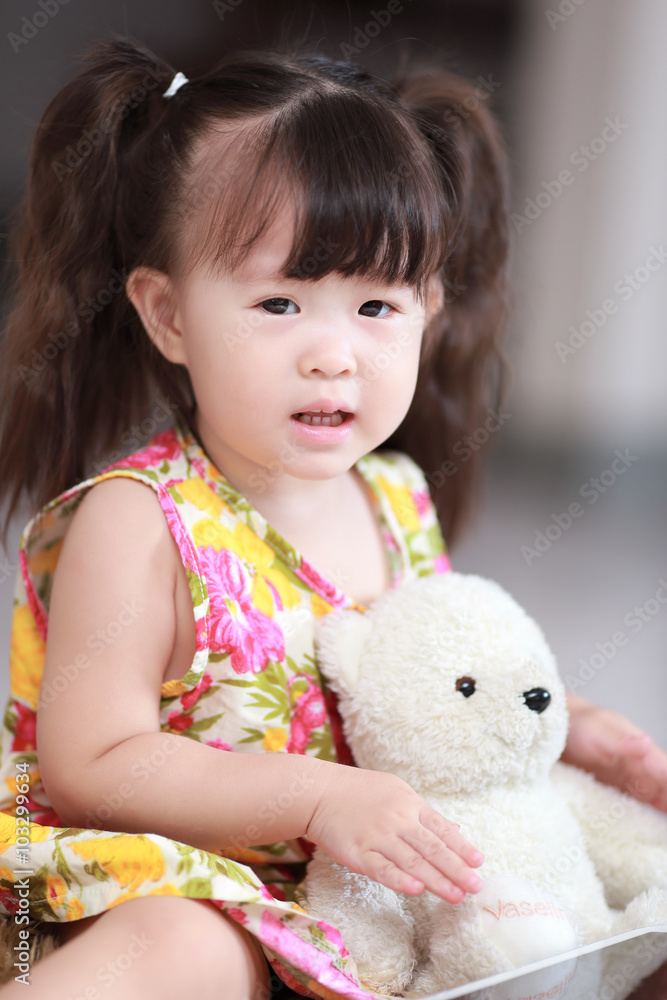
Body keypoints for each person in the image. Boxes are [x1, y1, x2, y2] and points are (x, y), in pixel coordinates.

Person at [0, 33, 664, 1000]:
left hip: (356, 900)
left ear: (429, 306)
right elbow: (89, 764)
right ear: (168, 314)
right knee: (191, 950)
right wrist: (317, 797)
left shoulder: (395, 497)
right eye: (278, 303)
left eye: (376, 306)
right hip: (164, 882)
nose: (332, 354)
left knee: (615, 914)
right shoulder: (142, 519)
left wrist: (566, 726)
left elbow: (433, 688)